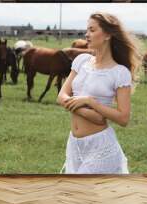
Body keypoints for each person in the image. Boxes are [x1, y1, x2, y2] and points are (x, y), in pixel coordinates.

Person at [57, 12, 141, 174]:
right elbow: (61, 97)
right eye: (87, 30)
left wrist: (91, 102)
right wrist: (91, 114)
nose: (87, 35)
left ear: (108, 34)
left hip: (100, 147)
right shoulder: (81, 61)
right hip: (74, 144)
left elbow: (123, 118)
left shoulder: (119, 73)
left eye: (92, 30)